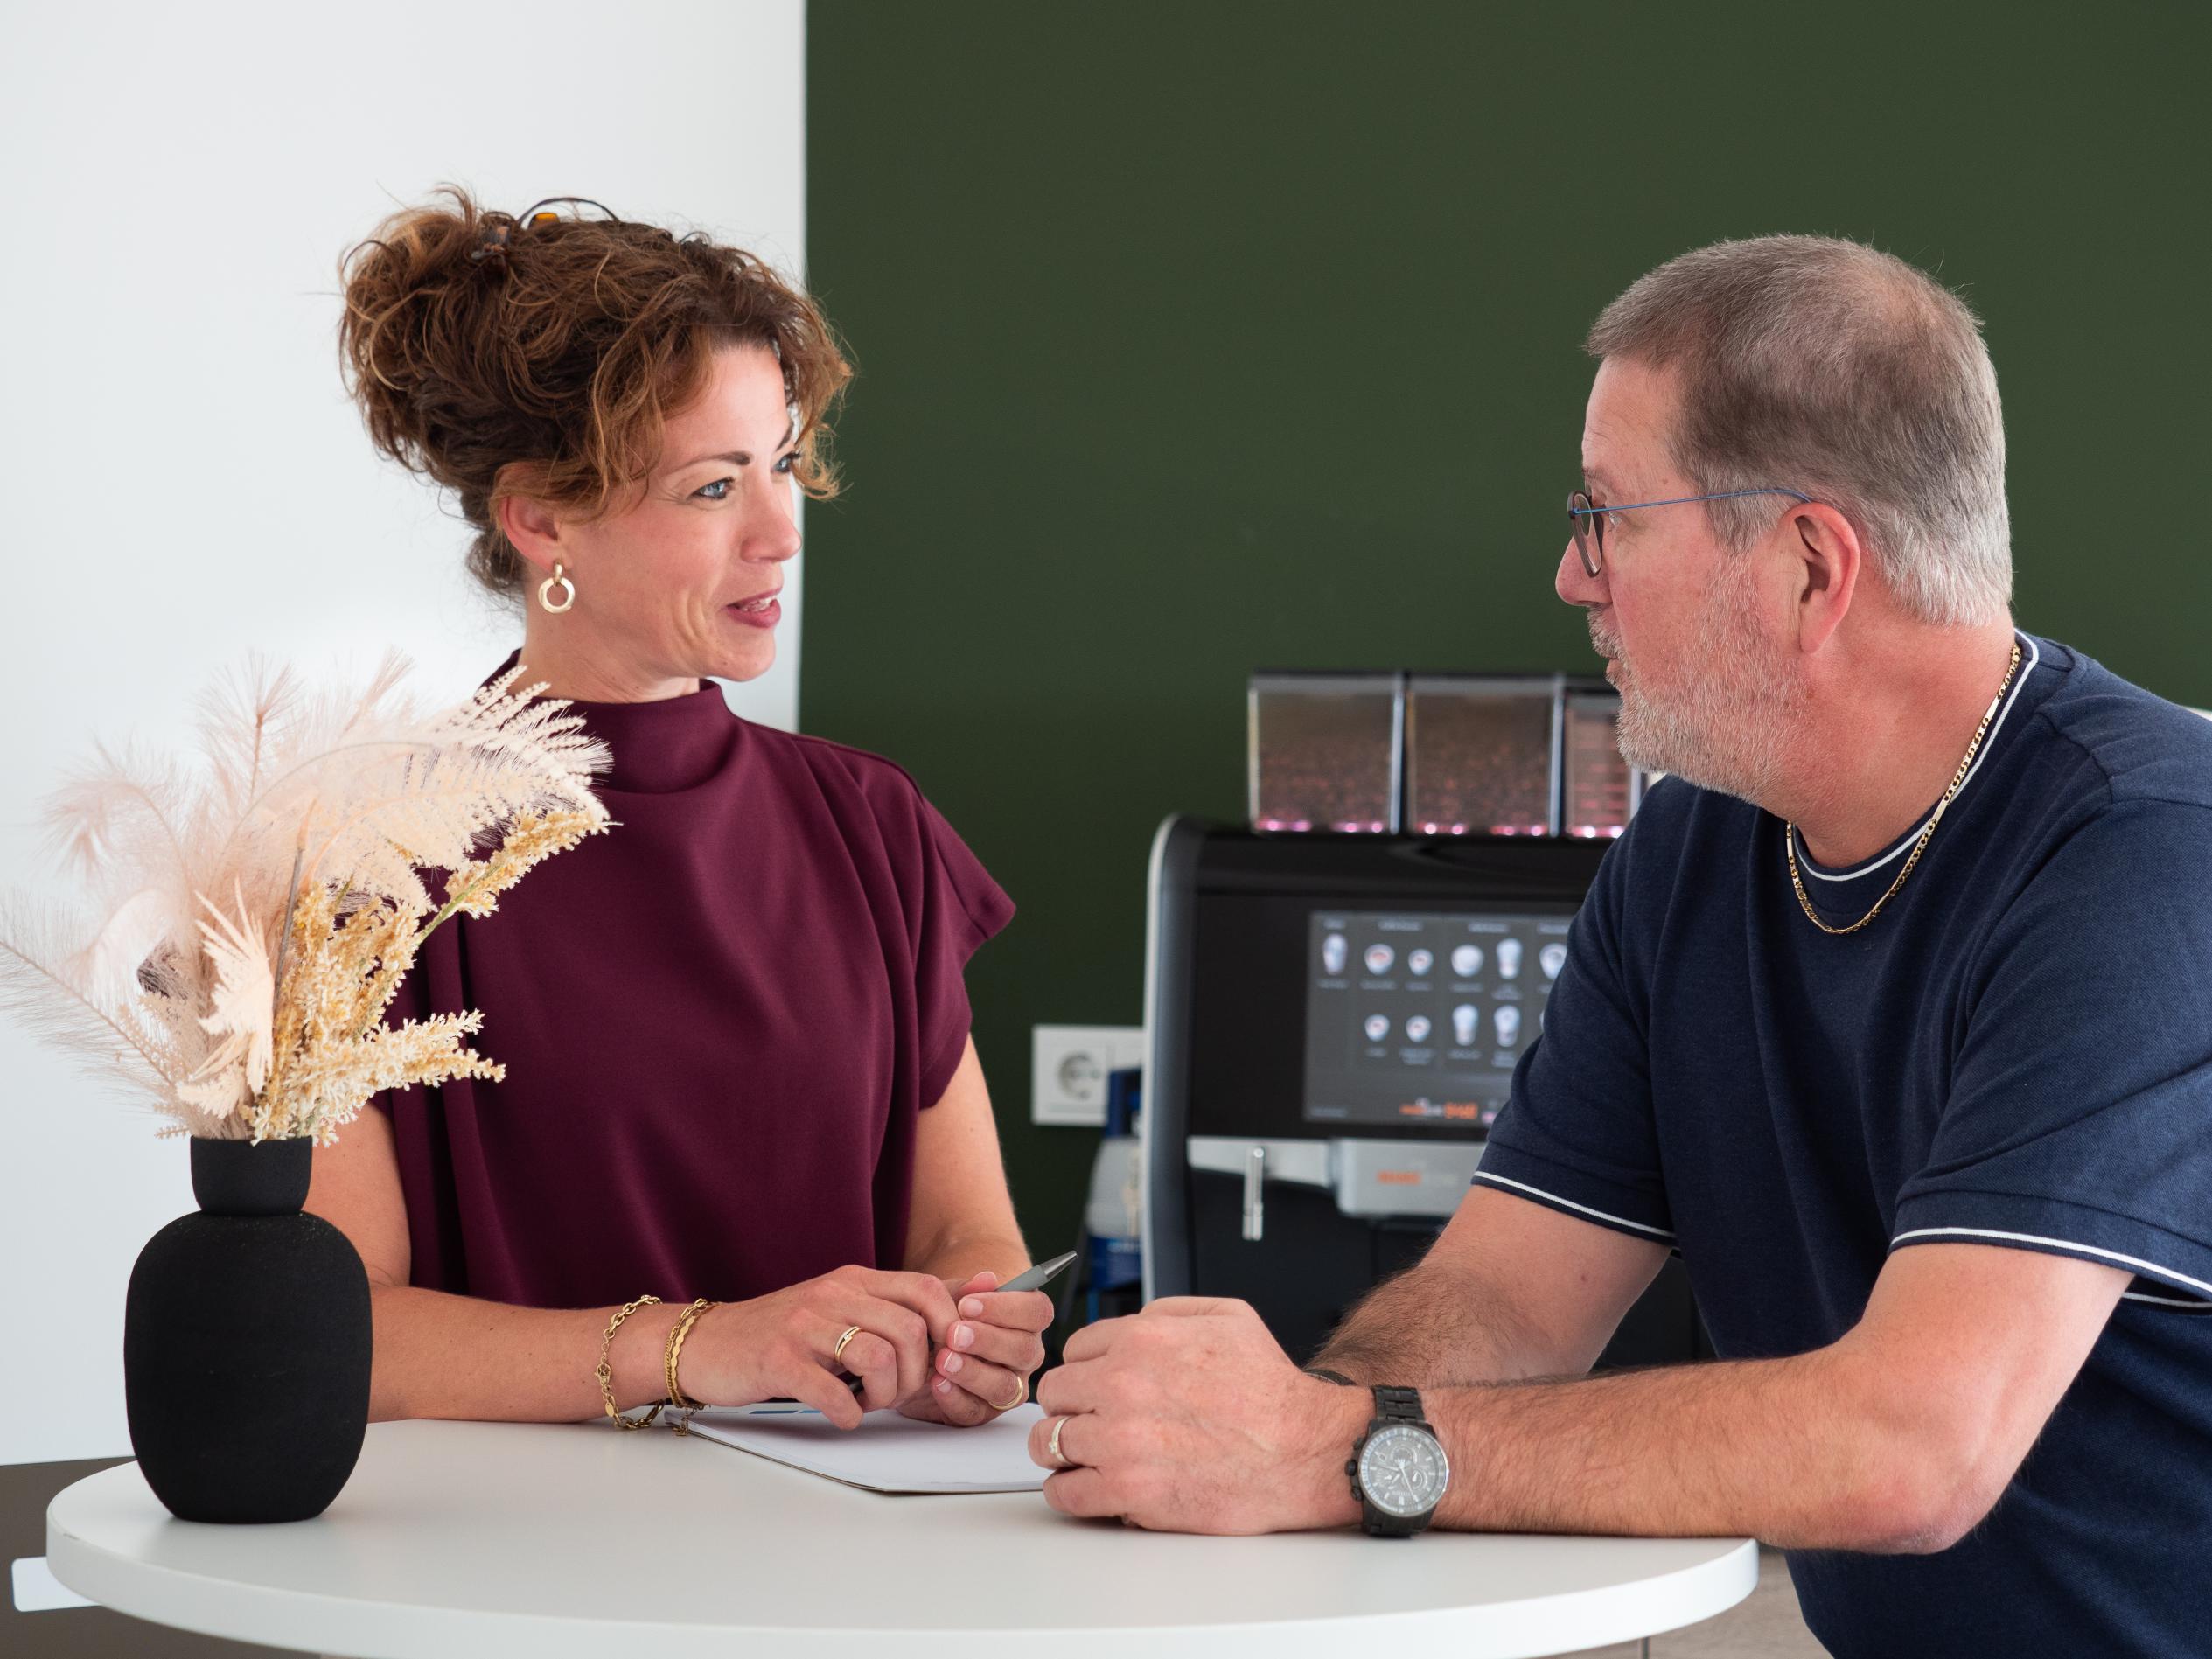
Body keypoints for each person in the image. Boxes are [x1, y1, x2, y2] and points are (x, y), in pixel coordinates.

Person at [1029, 236, 2212, 1656]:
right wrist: (1281, 1439)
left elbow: (1912, 1445)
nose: (1567, 576)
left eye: (1606, 518)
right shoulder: (1690, 850)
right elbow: (1503, 1297)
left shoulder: (2147, 851)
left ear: (1806, 565)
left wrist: (1340, 1455)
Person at [310, 188, 1050, 1433]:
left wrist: (971, 1326)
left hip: (841, 1572)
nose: (780, 533)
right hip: (492, 1581)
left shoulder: (872, 823)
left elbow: (960, 1228)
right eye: (714, 488)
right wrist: (705, 1345)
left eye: (781, 466)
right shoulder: (352, 859)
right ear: (540, 514)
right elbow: (334, 1330)